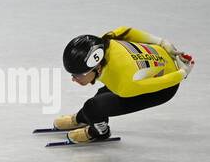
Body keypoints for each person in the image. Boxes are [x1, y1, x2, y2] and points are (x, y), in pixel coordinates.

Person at [54, 28, 193, 143]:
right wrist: (162, 42)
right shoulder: (107, 40)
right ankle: (82, 118)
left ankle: (99, 132)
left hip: (163, 89)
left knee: (93, 107)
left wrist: (182, 73)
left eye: (77, 75)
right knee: (100, 97)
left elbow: (160, 83)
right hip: (157, 58)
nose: (73, 79)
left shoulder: (125, 84)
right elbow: (128, 31)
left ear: (97, 68)